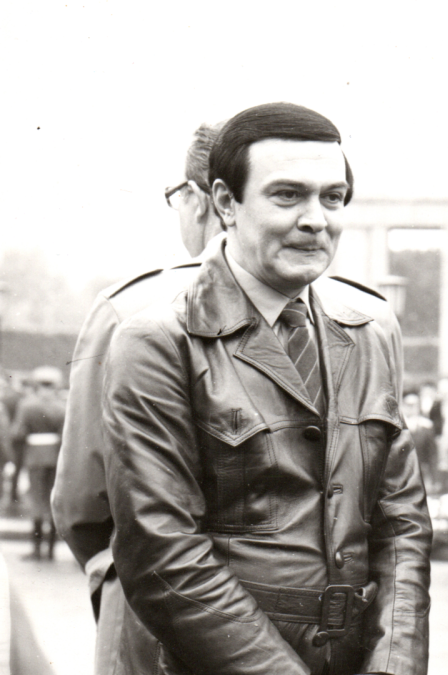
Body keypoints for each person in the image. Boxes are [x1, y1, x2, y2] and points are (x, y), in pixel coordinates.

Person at [102, 102, 430, 675]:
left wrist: (393, 665)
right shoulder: (158, 341)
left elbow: (402, 524)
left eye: (333, 197)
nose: (316, 220)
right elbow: (163, 553)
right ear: (226, 203)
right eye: (287, 196)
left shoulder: (368, 334)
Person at [53, 121, 226, 675]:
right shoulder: (349, 315)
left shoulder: (129, 308)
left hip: (151, 611)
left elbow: (81, 499)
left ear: (199, 198)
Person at [12, 365, 66, 560]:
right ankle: (50, 550)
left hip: (35, 456)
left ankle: (36, 549)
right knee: (52, 501)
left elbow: (17, 433)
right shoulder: (62, 406)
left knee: (36, 500)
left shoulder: (27, 406)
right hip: (55, 456)